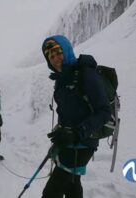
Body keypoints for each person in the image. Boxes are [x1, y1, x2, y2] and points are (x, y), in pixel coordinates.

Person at [41, 35, 111, 198]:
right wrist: (61, 131)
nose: (56, 59)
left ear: (66, 50)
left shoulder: (86, 74)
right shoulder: (61, 80)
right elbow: (68, 111)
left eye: (58, 52)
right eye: (51, 56)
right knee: (72, 186)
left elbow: (104, 112)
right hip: (69, 142)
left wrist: (76, 133)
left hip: (83, 142)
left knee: (51, 192)